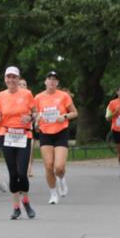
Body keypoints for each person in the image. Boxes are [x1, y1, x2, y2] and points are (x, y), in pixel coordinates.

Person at [0, 67, 37, 220]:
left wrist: (31, 118)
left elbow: (35, 112)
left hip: (24, 135)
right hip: (6, 135)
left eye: (14, 77)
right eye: (8, 77)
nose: (11, 80)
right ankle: (16, 207)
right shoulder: (0, 96)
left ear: (18, 79)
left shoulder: (26, 94)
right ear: (5, 79)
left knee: (22, 173)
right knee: (13, 173)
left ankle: (26, 201)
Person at [34, 71, 78, 204]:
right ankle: (53, 194)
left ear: (57, 83)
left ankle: (61, 178)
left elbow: (75, 113)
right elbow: (36, 115)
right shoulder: (38, 97)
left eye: (54, 79)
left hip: (61, 131)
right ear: (45, 82)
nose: (52, 81)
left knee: (58, 167)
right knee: (48, 166)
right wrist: (37, 121)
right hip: (45, 132)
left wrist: (63, 117)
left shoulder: (64, 96)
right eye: (49, 79)